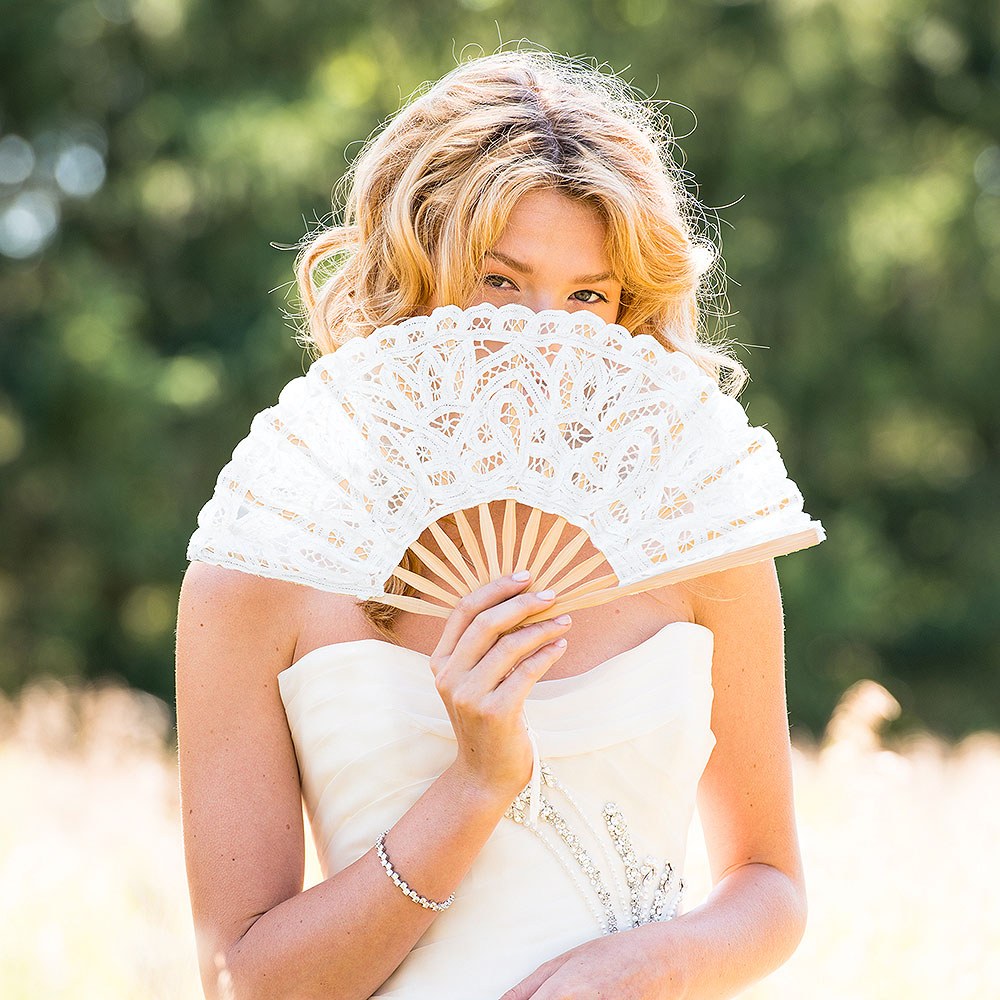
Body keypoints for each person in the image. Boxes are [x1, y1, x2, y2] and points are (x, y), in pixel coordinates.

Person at [176, 49, 808, 1000]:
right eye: (499, 282)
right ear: (409, 280)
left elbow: (770, 887)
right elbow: (245, 981)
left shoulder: (696, 546)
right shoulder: (265, 573)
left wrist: (625, 972)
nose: (542, 337)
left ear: (630, 309)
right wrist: (474, 786)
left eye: (588, 295)